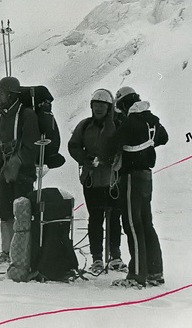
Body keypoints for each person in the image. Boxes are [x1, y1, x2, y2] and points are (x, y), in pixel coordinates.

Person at [111, 87, 168, 289]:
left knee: (132, 225)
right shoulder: (151, 119)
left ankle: (136, 275)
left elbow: (111, 144)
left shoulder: (130, 122)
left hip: (131, 177)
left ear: (124, 104)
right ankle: (155, 272)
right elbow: (163, 138)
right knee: (146, 224)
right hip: (146, 177)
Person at [0, 76, 40, 266]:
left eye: (1, 93)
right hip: (4, 173)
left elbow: (31, 145)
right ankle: (6, 251)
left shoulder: (26, 115)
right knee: (5, 212)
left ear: (11, 95)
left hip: (23, 173)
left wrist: (16, 162)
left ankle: (22, 251)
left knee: (22, 213)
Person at [68, 89, 125, 274]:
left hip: (113, 179)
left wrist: (114, 159)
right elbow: (74, 145)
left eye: (102, 105)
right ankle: (97, 258)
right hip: (92, 180)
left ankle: (115, 256)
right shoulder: (85, 126)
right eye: (96, 105)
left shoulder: (118, 125)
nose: (98, 108)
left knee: (114, 219)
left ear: (109, 108)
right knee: (95, 219)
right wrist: (85, 159)